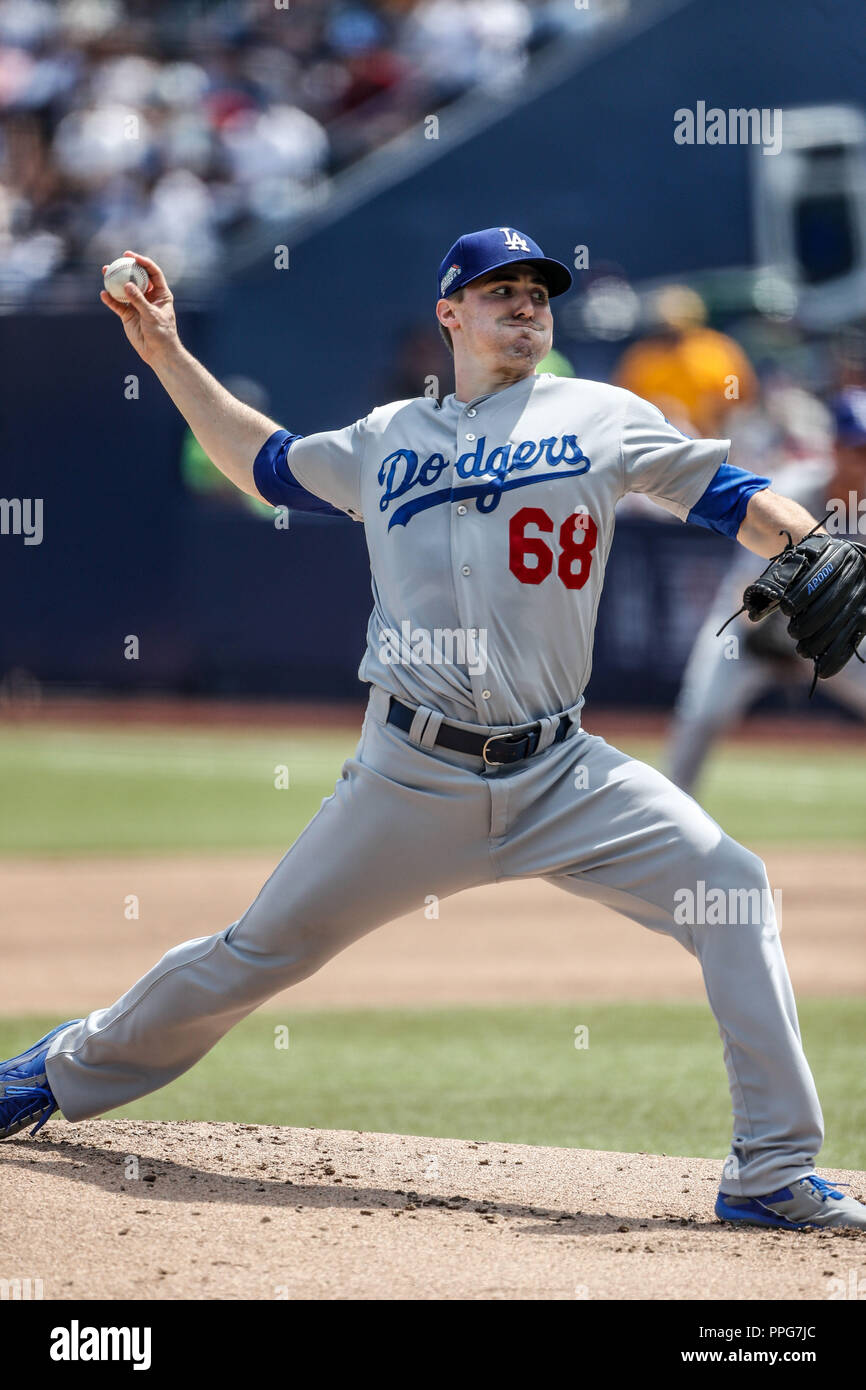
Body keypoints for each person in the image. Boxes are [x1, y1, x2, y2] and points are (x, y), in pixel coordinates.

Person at [3, 227, 865, 1233]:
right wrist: (163, 351)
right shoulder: (386, 439)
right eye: (498, 291)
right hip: (408, 776)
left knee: (729, 888)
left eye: (537, 292)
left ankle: (768, 1169)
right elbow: (261, 462)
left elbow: (726, 496)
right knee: (253, 953)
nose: (525, 305)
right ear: (449, 314)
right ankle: (47, 1073)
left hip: (560, 771)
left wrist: (806, 543)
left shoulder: (599, 415)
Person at [667, 388, 866, 795]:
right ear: (835, 447)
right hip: (753, 630)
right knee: (701, 712)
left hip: (833, 638)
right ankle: (667, 818)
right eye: (859, 449)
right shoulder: (793, 491)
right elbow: (749, 587)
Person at [615, 284, 757, 438]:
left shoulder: (718, 350)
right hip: (661, 438)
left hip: (715, 434)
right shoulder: (642, 358)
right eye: (664, 329)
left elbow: (739, 389)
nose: (671, 336)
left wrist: (722, 407)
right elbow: (625, 403)